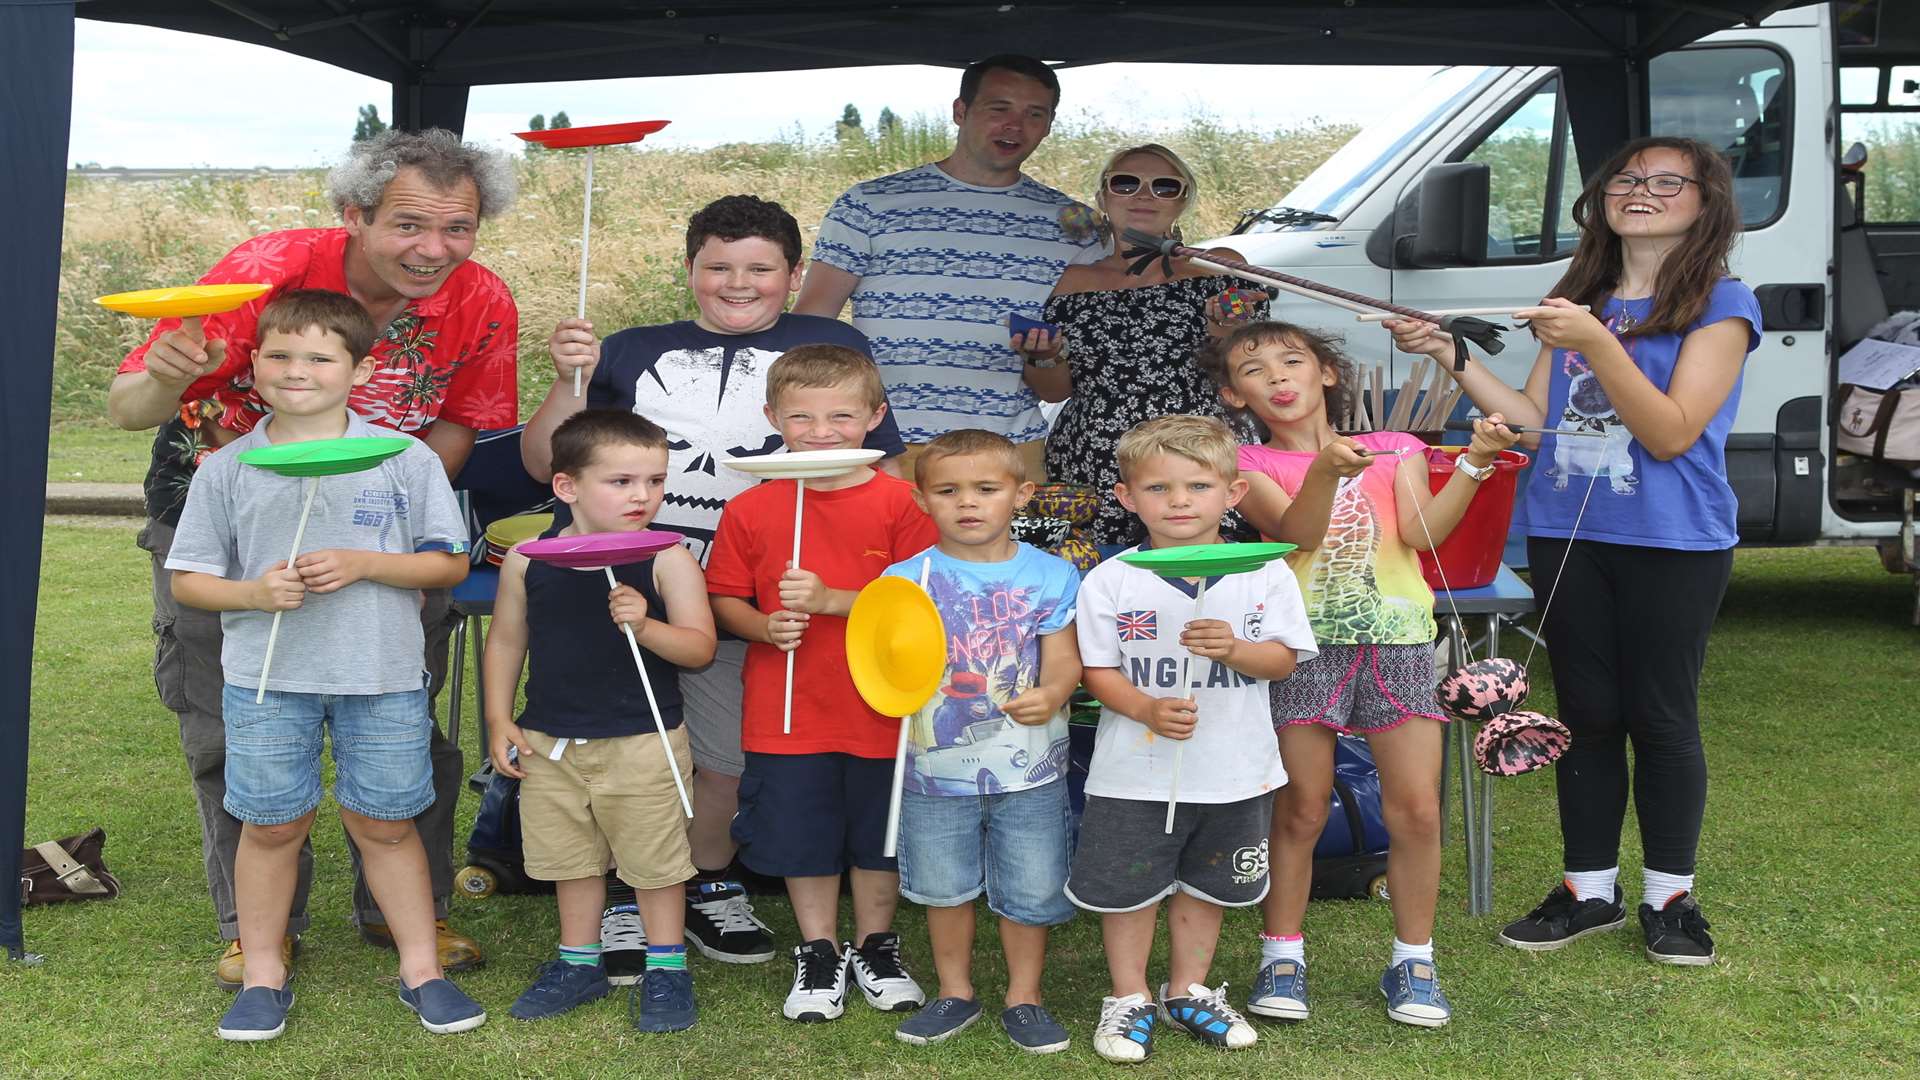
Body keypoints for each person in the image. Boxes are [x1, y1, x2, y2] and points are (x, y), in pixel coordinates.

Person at [106, 128, 518, 986]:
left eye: (458, 229)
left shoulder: (482, 301)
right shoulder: (269, 268)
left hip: (382, 539)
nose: (433, 250)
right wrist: (171, 376)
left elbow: (453, 430)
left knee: (409, 719)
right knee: (230, 722)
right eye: (409, 225)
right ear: (355, 214)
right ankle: (257, 930)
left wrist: (387, 523)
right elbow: (126, 406)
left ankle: (409, 916)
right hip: (226, 521)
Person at [1387, 136, 1762, 966]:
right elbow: (1531, 420)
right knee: (1587, 714)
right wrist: (1450, 355)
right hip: (1567, 528)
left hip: (1674, 535)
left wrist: (1595, 341)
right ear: (1602, 197)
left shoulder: (1723, 302)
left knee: (1660, 716)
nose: (1643, 190)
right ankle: (1588, 889)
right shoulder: (1579, 294)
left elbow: (1668, 432)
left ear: (1707, 203)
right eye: (1628, 178)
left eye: (1670, 181)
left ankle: (1671, 897)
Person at [518, 194, 908, 973]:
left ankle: (701, 881)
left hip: (758, 599)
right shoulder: (630, 348)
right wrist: (569, 378)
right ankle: (627, 897)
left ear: (795, 275)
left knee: (723, 761)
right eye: (718, 267)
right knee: (620, 753)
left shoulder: (830, 343)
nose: (739, 282)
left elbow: (880, 467)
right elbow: (545, 462)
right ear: (689, 270)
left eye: (760, 269)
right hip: (626, 588)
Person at [164, 290, 482, 1040]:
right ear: (253, 366)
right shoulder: (229, 468)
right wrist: (253, 590)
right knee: (272, 826)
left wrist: (366, 563)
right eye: (278, 354)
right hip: (268, 683)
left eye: (318, 356)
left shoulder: (404, 459)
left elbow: (447, 564)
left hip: (383, 677)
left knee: (388, 822)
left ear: (360, 370)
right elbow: (189, 579)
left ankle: (421, 970)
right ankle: (264, 973)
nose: (296, 370)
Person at [1200, 321, 1519, 1028]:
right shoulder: (1244, 464)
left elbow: (1418, 531)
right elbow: (1300, 535)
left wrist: (1473, 462)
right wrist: (1323, 473)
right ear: (1234, 392)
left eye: (1293, 361)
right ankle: (1281, 954)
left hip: (1400, 640)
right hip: (1300, 647)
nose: (1278, 378)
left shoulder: (1396, 448)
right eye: (1255, 370)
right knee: (1301, 808)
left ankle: (1414, 959)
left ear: (1328, 374)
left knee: (1418, 810)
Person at [1067, 415, 1317, 1063]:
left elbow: (1285, 659)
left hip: (1236, 769)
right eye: (1158, 488)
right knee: (1130, 886)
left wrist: (1236, 648)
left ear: (1233, 494)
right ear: (1126, 497)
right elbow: (1096, 670)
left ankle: (1188, 990)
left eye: (1198, 486)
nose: (1179, 501)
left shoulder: (1264, 574)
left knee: (1207, 886)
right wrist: (1145, 710)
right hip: (1134, 772)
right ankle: (1127, 997)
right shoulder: (1110, 580)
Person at [703, 345, 939, 1023]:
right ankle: (818, 948)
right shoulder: (754, 508)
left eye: (841, 414)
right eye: (802, 416)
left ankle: (875, 945)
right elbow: (724, 598)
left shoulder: (903, 504)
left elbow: (927, 605)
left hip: (884, 708)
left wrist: (835, 599)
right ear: (773, 416)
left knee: (877, 835)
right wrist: (760, 625)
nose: (822, 429)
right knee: (804, 835)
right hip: (789, 710)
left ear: (875, 417)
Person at [483, 410, 718, 1032]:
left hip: (644, 738)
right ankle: (579, 962)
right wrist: (498, 717)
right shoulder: (529, 559)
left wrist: (646, 625)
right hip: (549, 739)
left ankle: (666, 969)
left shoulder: (668, 555)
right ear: (567, 487)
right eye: (621, 481)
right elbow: (506, 640)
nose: (642, 496)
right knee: (570, 859)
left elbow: (699, 649)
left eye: (655, 481)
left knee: (655, 862)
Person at [794, 54, 1101, 471]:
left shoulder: (1077, 224)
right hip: (883, 447)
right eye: (999, 109)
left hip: (1007, 451)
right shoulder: (870, 203)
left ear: (1048, 125)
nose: (1015, 125)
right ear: (960, 111)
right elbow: (814, 322)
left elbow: (1063, 379)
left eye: (1034, 114)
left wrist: (1044, 355)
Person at [880, 429, 1083, 1053]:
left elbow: (1067, 661)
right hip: (931, 770)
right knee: (944, 884)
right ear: (921, 500)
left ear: (1021, 495)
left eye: (985, 489)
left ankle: (1026, 996)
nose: (967, 503)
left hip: (1031, 767)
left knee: (1031, 883)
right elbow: (880, 660)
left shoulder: (1051, 574)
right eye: (948, 491)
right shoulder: (904, 578)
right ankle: (955, 990)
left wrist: (1051, 694)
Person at [1011, 143, 1272, 547]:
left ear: (1184, 200)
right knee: (1107, 581)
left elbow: (1250, 371)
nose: (1145, 195)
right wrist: (1044, 357)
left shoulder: (1218, 265)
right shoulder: (1070, 280)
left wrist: (1223, 329)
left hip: (1197, 453)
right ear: (1102, 197)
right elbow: (1055, 390)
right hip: (1096, 456)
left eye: (1165, 187)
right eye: (1126, 184)